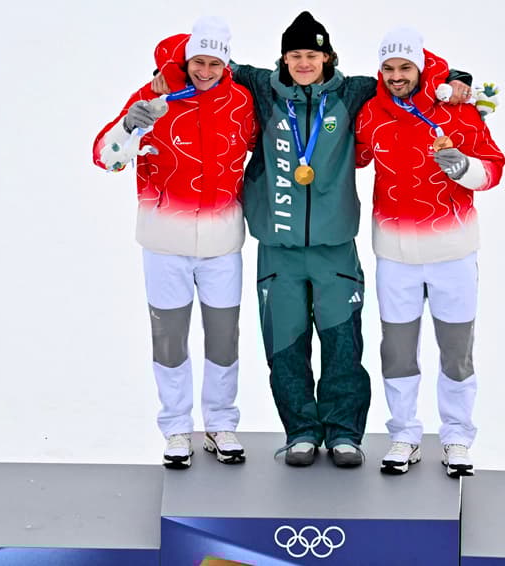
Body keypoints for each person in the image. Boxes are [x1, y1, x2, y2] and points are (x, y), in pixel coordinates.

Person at [151, 11, 473, 468]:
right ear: (284, 57)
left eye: (313, 54)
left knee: (343, 344)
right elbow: (205, 62)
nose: (304, 62)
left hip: (335, 246)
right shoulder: (260, 88)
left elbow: (407, 77)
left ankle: (344, 434)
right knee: (285, 346)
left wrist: (452, 77)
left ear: (327, 57)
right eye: (296, 54)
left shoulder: (354, 91)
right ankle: (300, 431)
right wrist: (165, 72)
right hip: (278, 249)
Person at [92, 17, 258, 470]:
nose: (205, 71)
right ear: (186, 60)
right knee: (170, 339)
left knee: (224, 338)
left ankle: (221, 423)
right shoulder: (152, 99)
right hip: (164, 243)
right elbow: (105, 159)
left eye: (214, 63)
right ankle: (177, 428)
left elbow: (262, 151)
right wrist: (130, 127)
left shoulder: (240, 101)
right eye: (198, 62)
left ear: (226, 64)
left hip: (223, 243)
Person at [355, 27, 505, 477]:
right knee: (397, 352)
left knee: (456, 351)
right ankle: (404, 434)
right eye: (389, 68)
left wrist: (465, 169)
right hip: (395, 255)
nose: (397, 76)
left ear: (420, 69)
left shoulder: (458, 113)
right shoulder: (370, 114)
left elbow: (494, 167)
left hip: (452, 252)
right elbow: (354, 155)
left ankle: (457, 436)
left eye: (405, 68)